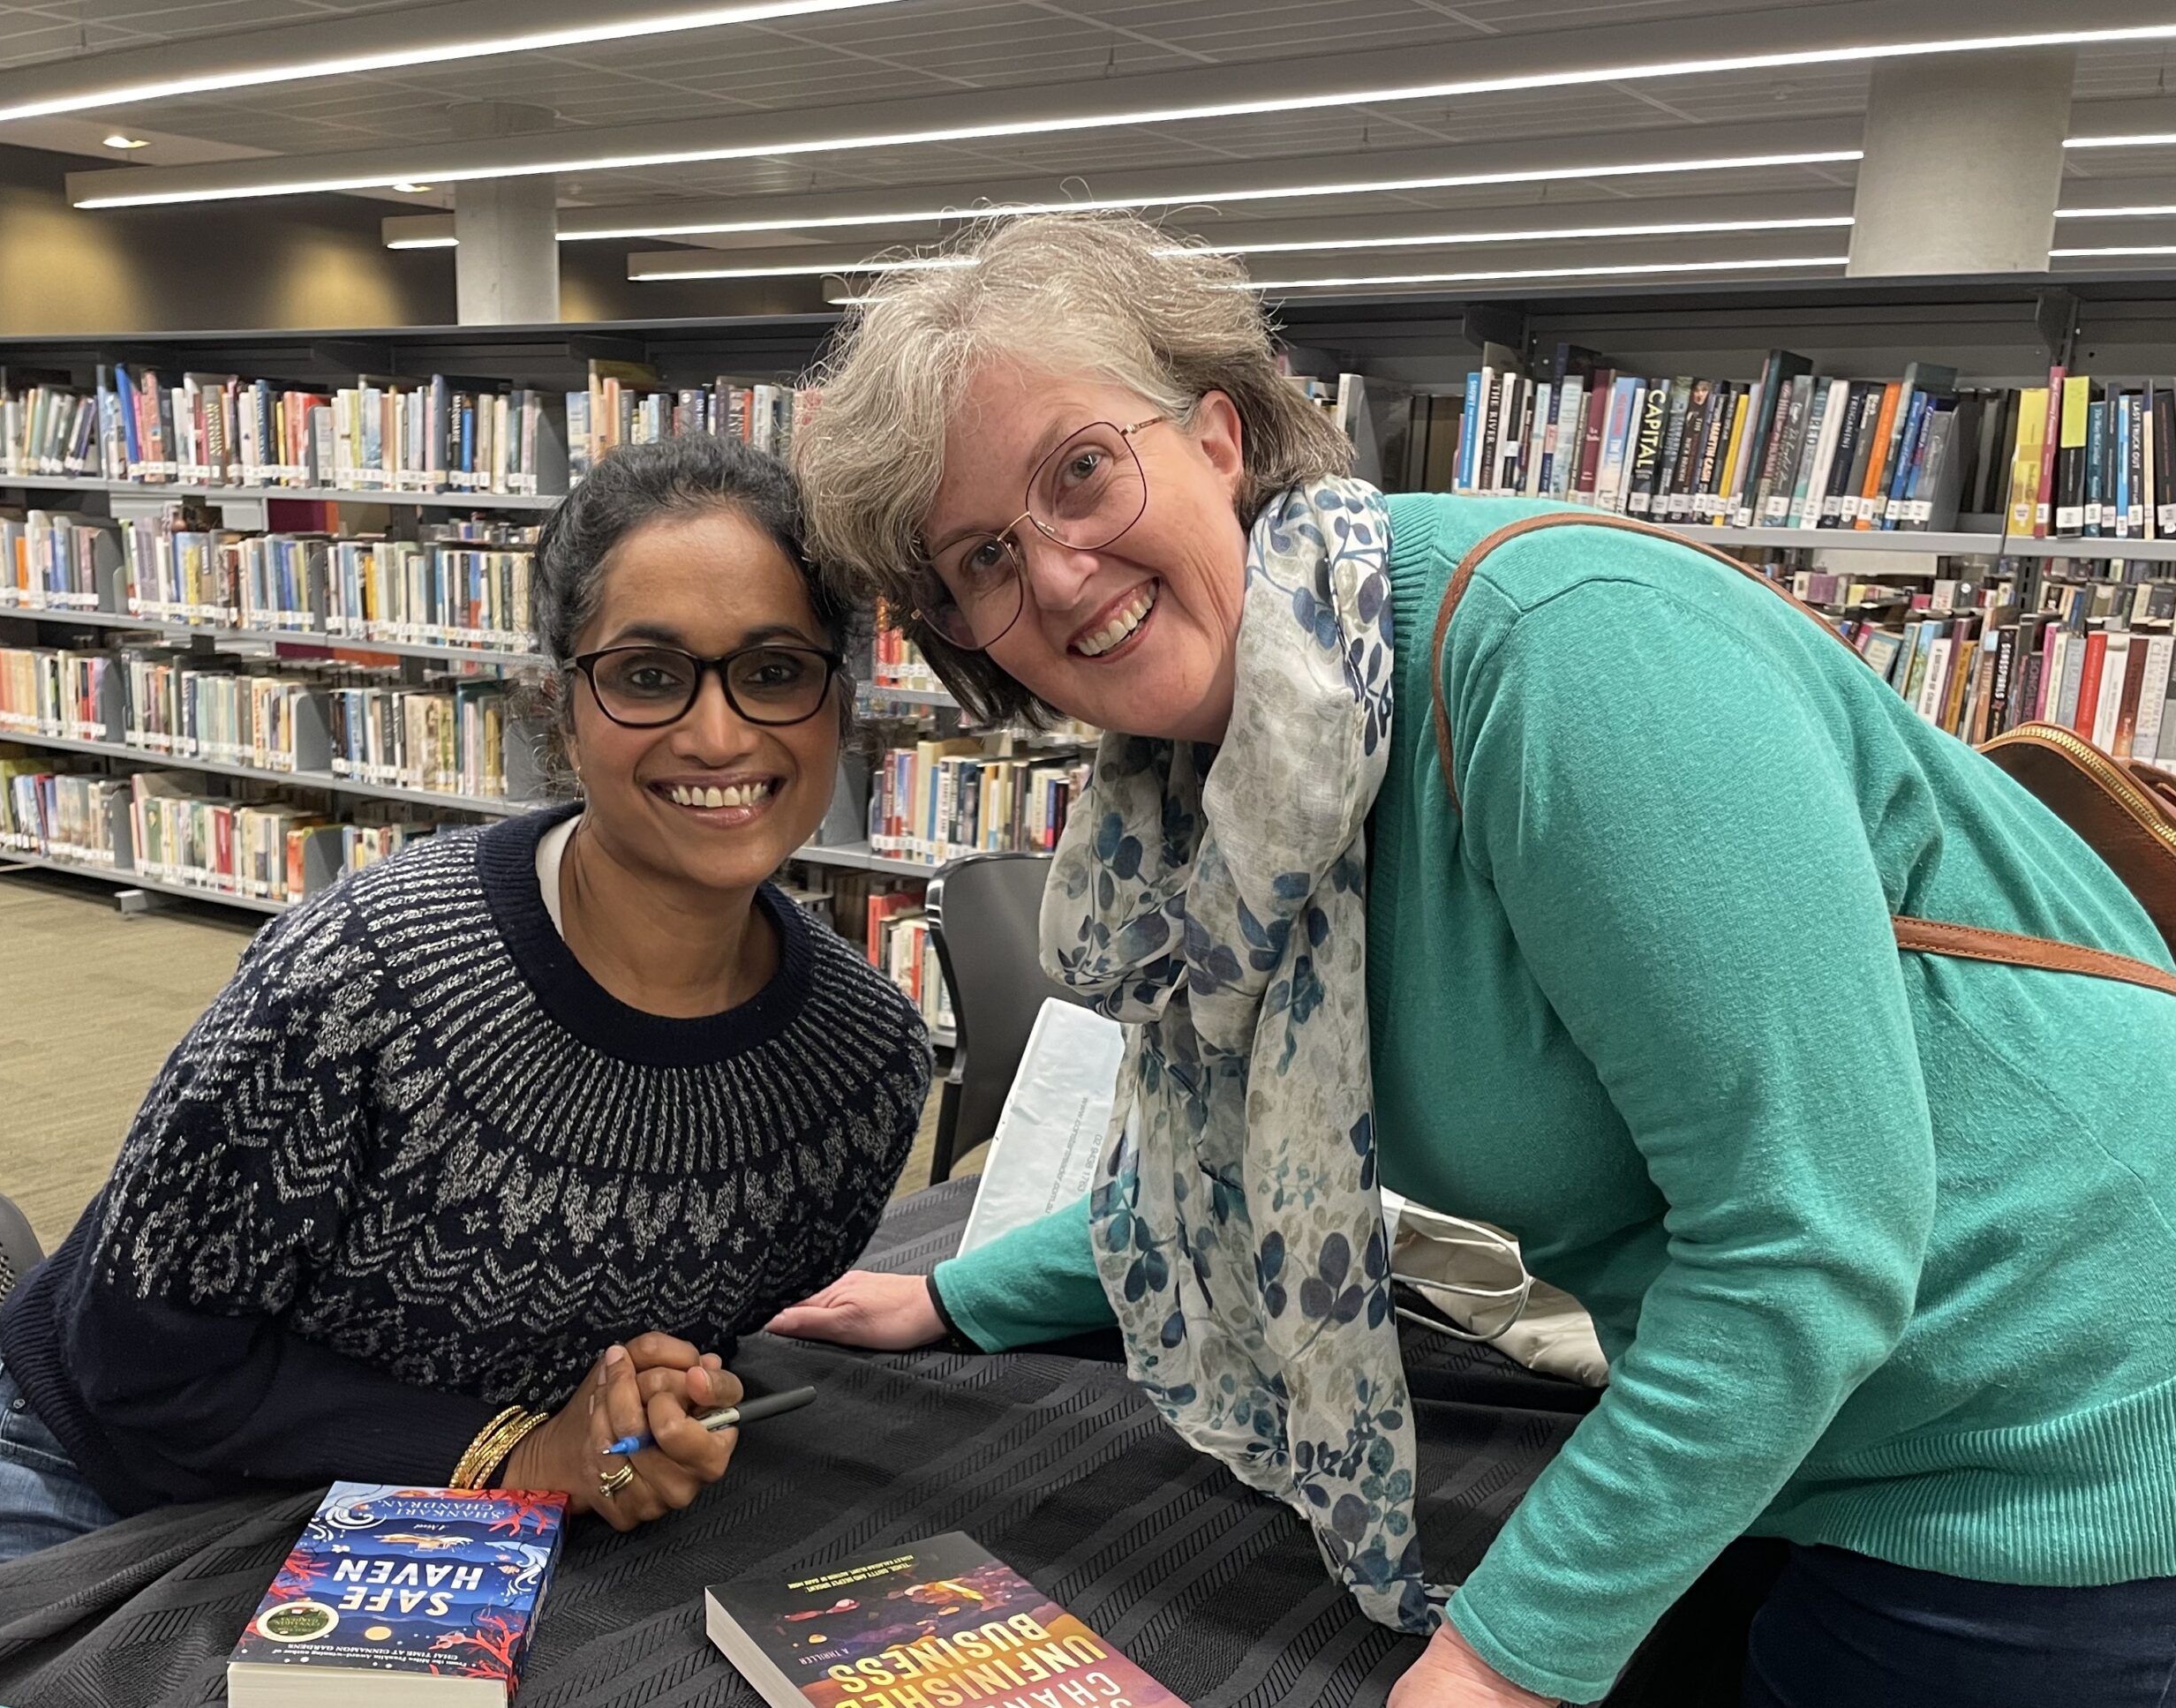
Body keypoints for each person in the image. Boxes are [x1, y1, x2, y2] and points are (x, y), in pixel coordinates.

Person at [774, 213, 2176, 1708]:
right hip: (1807, 1424)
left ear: (1221, 438)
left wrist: (1500, 1664)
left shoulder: (1560, 657)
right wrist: (963, 1298)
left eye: (1079, 471)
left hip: (2045, 1421)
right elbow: (1253, 1149)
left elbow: (1808, 1239)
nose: (1057, 575)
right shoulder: (1232, 786)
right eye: (984, 557)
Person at [0, 436, 934, 1589]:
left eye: (776, 670)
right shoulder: (359, 982)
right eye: (649, 676)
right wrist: (513, 1454)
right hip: (100, 1498)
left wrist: (641, 1409)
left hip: (426, 1532)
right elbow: (140, 1364)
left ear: (841, 705)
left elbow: (673, 1339)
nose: (718, 735)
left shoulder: (861, 1068)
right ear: (561, 708)